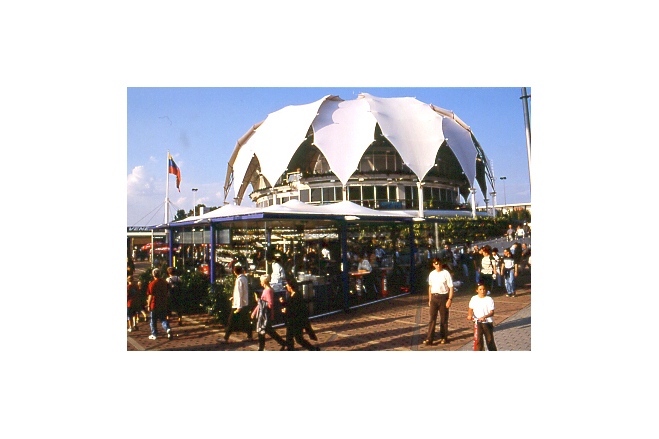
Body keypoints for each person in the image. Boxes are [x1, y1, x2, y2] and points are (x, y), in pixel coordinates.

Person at [280, 276, 319, 350]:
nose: (286, 286)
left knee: (299, 339)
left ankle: (313, 349)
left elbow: (296, 309)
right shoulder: (292, 294)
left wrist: (286, 310)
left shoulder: (297, 296)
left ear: (291, 286)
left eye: (287, 284)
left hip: (297, 322)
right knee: (290, 338)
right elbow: (290, 305)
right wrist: (284, 303)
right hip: (291, 321)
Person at [251, 274, 287, 351]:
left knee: (264, 332)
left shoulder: (268, 291)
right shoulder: (266, 290)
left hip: (266, 315)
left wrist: (259, 301)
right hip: (264, 315)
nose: (260, 282)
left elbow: (270, 304)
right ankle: (283, 343)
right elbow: (261, 304)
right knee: (268, 332)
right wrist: (254, 312)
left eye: (261, 281)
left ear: (263, 282)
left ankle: (261, 348)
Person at [424, 260, 454, 346]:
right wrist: (430, 299)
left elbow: (451, 287)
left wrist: (450, 299)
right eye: (436, 264)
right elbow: (430, 287)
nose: (438, 266)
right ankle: (429, 339)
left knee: (443, 319)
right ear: (433, 265)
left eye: (440, 264)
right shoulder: (432, 274)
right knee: (432, 319)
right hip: (434, 297)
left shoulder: (446, 273)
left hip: (443, 297)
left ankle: (444, 337)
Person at [222, 265, 253, 343]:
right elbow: (243, 292)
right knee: (246, 321)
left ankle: (225, 338)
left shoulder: (239, 280)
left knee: (231, 321)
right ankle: (250, 336)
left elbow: (239, 293)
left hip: (238, 305)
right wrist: (234, 297)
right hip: (244, 303)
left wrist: (238, 306)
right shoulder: (244, 278)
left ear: (234, 271)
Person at [467, 281, 497, 351]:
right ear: (477, 290)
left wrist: (484, 317)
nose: (482, 291)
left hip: (487, 323)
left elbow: (491, 312)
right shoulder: (474, 298)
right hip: (477, 323)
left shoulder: (489, 299)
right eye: (480, 289)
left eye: (484, 289)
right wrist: (469, 315)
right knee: (478, 341)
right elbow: (470, 309)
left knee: (490, 340)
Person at [146, 269, 172, 340]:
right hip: (163, 303)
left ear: (153, 275)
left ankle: (154, 334)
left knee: (153, 321)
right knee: (163, 319)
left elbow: (150, 295)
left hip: (154, 304)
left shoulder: (152, 284)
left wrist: (148, 305)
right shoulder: (164, 282)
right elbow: (168, 291)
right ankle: (168, 329)